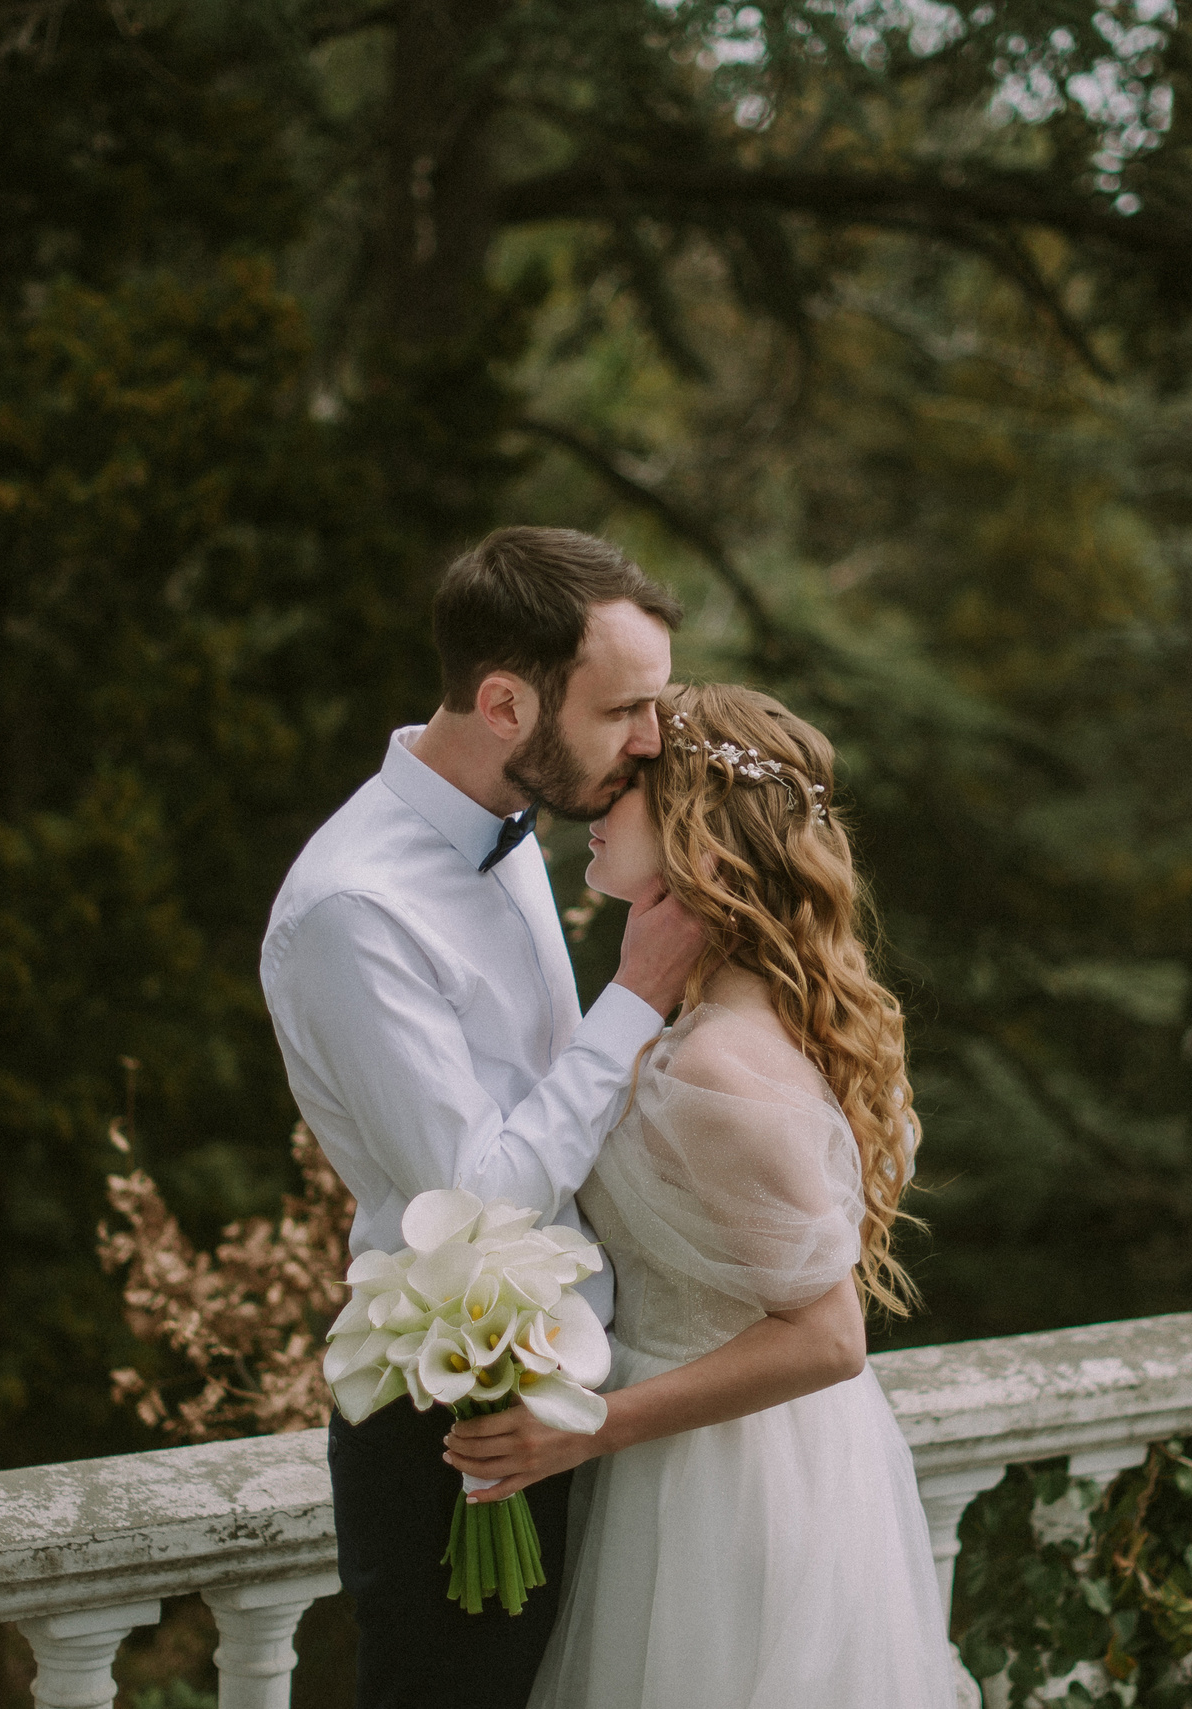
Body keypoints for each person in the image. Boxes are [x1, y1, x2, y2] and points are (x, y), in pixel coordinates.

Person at [447, 682, 965, 1709]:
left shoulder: (722, 1064)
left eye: (633, 783)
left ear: (697, 827)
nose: (598, 798)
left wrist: (590, 1424)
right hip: (698, 1454)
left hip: (725, 1483)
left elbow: (829, 1339)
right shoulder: (723, 1020)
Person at [260, 527, 706, 1709]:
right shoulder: (360, 907)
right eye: (625, 712)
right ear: (506, 702)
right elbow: (479, 1197)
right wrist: (639, 993)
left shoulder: (514, 829)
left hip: (573, 1397)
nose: (654, 742)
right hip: (453, 1430)